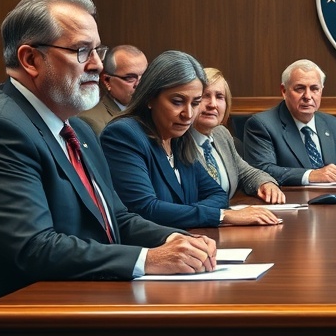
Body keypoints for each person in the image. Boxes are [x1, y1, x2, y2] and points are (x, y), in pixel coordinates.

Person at [0, 0, 217, 317]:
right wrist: (148, 260)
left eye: (97, 50)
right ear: (31, 59)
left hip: (86, 299)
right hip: (19, 321)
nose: (97, 64)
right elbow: (36, 248)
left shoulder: (80, 131)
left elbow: (117, 220)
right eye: (81, 51)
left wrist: (178, 240)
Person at [101, 51, 281, 229]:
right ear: (150, 98)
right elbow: (146, 209)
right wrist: (222, 216)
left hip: (189, 241)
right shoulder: (124, 134)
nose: (188, 115)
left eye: (195, 103)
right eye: (177, 101)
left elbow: (217, 194)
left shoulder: (179, 137)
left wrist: (180, 213)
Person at [243, 59, 336, 185]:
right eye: (300, 88)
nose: (308, 96)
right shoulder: (262, 125)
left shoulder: (335, 125)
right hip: (290, 204)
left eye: (314, 89)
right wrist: (310, 175)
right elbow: (262, 170)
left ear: (321, 91)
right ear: (284, 91)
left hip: (333, 204)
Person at [191, 68, 285, 203]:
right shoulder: (178, 141)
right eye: (205, 96)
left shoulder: (221, 134)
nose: (213, 104)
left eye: (219, 97)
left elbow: (245, 172)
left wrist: (266, 184)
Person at [79, 44, 147, 135]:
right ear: (107, 81)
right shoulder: (92, 122)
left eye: (145, 76)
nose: (139, 84)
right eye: (130, 78)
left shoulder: (151, 113)